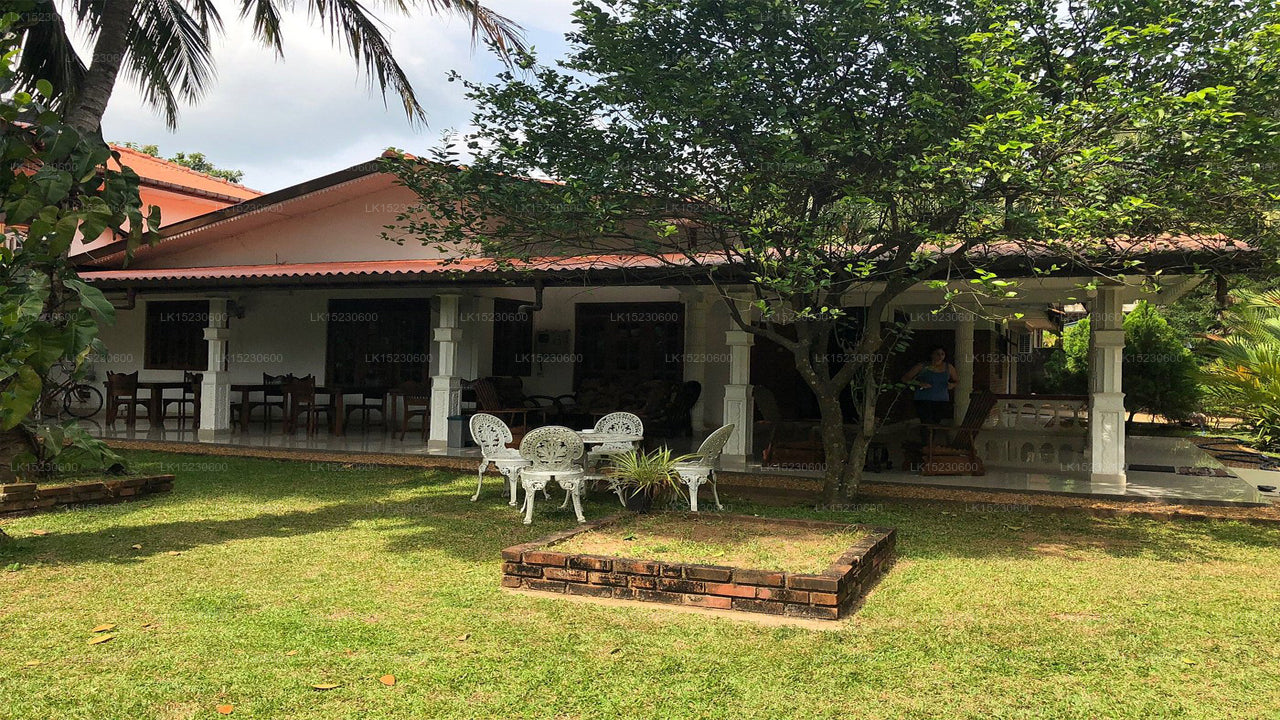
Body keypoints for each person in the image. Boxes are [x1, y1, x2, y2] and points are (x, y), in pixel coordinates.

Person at [902, 347, 958, 441]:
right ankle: (925, 443)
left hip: (941, 399)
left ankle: (931, 444)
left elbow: (956, 381)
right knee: (926, 422)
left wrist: (952, 385)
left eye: (942, 354)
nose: (940, 356)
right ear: (932, 355)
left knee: (935, 423)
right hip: (923, 398)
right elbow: (905, 378)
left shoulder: (949, 367)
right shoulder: (922, 366)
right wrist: (919, 383)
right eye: (937, 354)